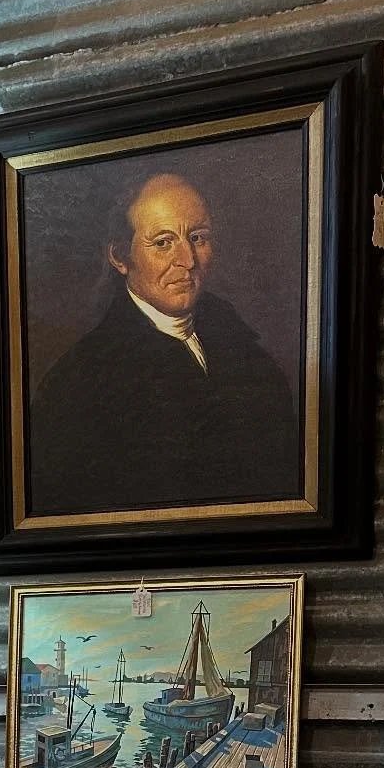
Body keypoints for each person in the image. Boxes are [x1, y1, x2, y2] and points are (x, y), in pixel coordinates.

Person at [27, 172, 299, 517]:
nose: (187, 260)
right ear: (120, 257)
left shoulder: (248, 354)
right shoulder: (81, 380)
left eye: (197, 237)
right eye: (163, 242)